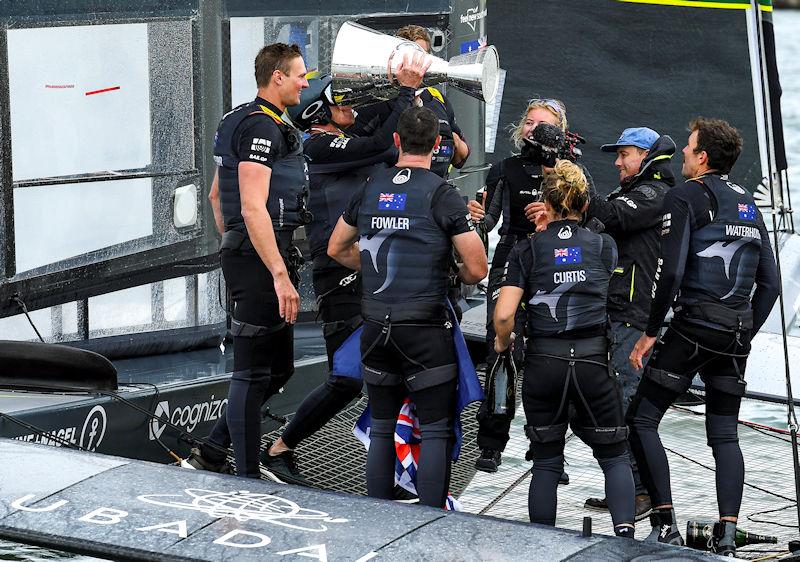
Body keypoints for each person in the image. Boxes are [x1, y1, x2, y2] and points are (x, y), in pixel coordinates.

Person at [261, 54, 430, 481]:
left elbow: (385, 142)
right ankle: (278, 448)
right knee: (346, 379)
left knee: (378, 372)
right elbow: (381, 146)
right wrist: (405, 92)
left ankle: (401, 467)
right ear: (320, 113)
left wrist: (395, 88)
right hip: (338, 273)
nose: (351, 110)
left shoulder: (345, 142)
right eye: (341, 103)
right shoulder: (319, 146)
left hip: (364, 270)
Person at [627, 118, 780, 554]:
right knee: (725, 434)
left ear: (703, 157)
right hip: (734, 335)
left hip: (693, 328)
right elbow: (769, 283)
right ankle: (727, 534)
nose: (683, 156)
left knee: (640, 419)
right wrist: (745, 330)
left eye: (689, 148)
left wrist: (650, 332)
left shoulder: (687, 195)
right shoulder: (749, 205)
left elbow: (671, 270)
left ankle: (665, 523)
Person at [327, 106, 487, 507]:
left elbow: (336, 247)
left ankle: (380, 522)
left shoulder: (370, 186)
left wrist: (372, 270)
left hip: (376, 326)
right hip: (425, 330)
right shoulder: (442, 194)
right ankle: (429, 524)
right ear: (437, 146)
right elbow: (477, 267)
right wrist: (450, 275)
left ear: (396, 141)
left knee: (382, 427)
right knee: (434, 429)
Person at [182, 43, 310, 478]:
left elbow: (220, 196)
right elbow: (252, 207)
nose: (304, 82)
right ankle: (247, 477)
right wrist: (274, 271)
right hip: (260, 258)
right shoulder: (261, 128)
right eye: (299, 74)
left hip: (253, 251)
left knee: (279, 368)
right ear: (277, 77)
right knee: (253, 372)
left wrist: (232, 242)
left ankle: (214, 450)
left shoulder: (239, 118)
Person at [493, 160, 635, 537]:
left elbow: (504, 315)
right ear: (584, 204)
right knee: (614, 455)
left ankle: (544, 546)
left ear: (547, 203)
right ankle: (624, 538)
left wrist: (502, 343)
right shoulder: (604, 246)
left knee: (546, 461)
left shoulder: (527, 250)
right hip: (592, 360)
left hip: (545, 363)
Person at [572, 127, 677, 518]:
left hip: (632, 319)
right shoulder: (633, 193)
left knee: (624, 409)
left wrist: (574, 171)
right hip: (610, 314)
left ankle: (639, 491)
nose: (617, 162)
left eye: (625, 154)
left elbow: (610, 214)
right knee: (592, 408)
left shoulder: (655, 193)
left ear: (647, 156)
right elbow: (598, 220)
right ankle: (625, 483)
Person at [467, 98, 574, 473]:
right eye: (529, 123)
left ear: (558, 131)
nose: (533, 130)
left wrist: (553, 211)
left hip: (553, 266)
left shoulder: (569, 171)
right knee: (501, 349)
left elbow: (586, 221)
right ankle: (491, 444)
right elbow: (489, 221)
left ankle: (548, 453)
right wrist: (476, 217)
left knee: (550, 355)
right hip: (511, 259)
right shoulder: (504, 169)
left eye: (542, 124)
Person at [350, 25, 469, 179]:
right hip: (393, 193)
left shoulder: (437, 97)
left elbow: (462, 158)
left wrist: (451, 141)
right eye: (410, 58)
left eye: (422, 57)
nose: (416, 65)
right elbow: (356, 151)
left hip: (436, 191)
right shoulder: (377, 100)